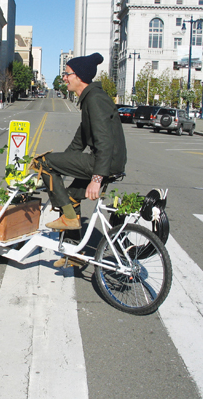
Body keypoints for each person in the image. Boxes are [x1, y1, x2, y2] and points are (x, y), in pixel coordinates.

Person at [32, 53, 127, 263]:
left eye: (67, 74)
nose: (64, 78)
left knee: (42, 161)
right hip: (106, 162)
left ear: (79, 76)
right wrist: (61, 167)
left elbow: (104, 141)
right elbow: (79, 141)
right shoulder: (90, 99)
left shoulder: (95, 99)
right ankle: (75, 253)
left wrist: (96, 178)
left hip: (104, 163)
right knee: (71, 196)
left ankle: (68, 216)